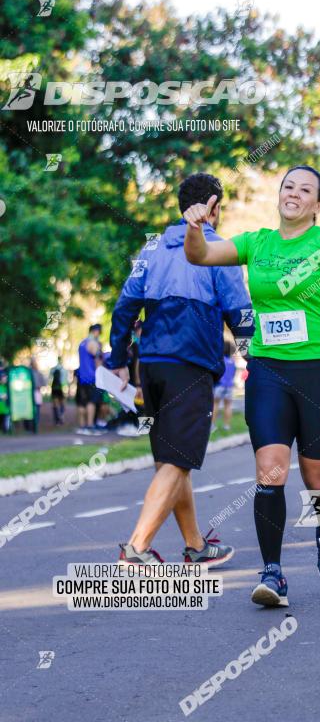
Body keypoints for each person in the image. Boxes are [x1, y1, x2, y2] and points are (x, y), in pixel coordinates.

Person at [183, 164, 320, 607]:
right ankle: (272, 573)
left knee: (318, 477)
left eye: (305, 190)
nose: (293, 194)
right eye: (288, 186)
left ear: (318, 205)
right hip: (269, 372)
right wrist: (195, 227)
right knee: (270, 471)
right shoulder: (257, 243)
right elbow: (199, 256)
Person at [109, 172, 254, 570]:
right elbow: (239, 312)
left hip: (151, 367)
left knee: (171, 462)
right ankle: (136, 548)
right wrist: (255, 359)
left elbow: (125, 306)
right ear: (213, 206)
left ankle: (195, 546)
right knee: (177, 461)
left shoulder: (152, 248)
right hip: (189, 366)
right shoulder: (217, 249)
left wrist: (118, 359)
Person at [76, 324, 102, 433]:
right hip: (91, 377)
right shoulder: (93, 343)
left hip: (81, 376)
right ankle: (90, 425)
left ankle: (82, 427)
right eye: (99, 332)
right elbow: (97, 359)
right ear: (95, 331)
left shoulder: (82, 343)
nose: (99, 334)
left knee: (82, 402)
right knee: (91, 401)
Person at [212, 340, 236, 432]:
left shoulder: (221, 361)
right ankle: (226, 426)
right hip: (229, 386)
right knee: (228, 406)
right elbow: (233, 374)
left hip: (219, 385)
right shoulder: (233, 362)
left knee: (215, 404)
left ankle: (212, 425)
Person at [49, 357, 68, 425]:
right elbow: (66, 380)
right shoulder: (64, 370)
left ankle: (57, 418)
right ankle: (61, 416)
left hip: (54, 388)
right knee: (62, 403)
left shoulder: (53, 369)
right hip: (62, 388)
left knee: (55, 403)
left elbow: (49, 379)